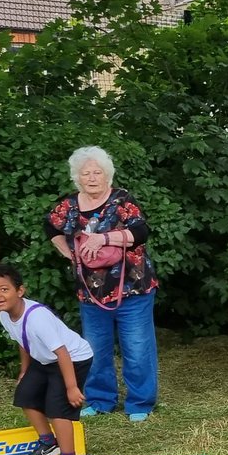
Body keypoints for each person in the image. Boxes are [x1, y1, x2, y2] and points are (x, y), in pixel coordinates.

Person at [46, 145, 159, 422]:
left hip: (132, 288)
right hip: (91, 292)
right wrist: (69, 253)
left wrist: (104, 239)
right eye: (86, 173)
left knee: (137, 347)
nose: (92, 177)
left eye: (98, 172)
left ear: (107, 176)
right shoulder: (69, 205)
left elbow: (141, 231)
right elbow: (50, 226)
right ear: (78, 177)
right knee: (94, 348)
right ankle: (99, 400)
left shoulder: (122, 200)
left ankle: (140, 403)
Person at [0, 262, 94, 455]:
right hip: (45, 360)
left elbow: (62, 352)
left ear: (20, 291)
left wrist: (71, 387)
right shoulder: (4, 315)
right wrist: (24, 371)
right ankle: (47, 442)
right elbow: (23, 341)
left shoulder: (37, 317)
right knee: (25, 394)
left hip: (72, 358)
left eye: (4, 289)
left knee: (57, 409)